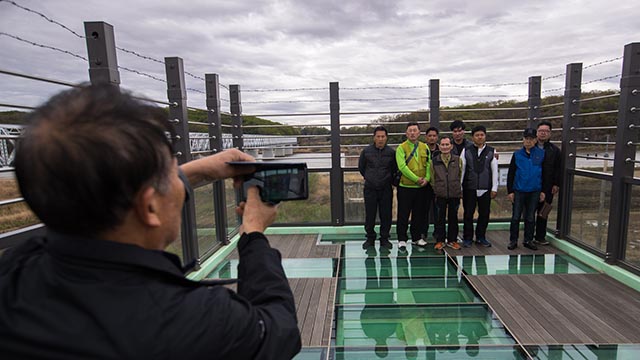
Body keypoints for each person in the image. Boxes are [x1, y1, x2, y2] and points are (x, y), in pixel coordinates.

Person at [0, 84, 301, 359]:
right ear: (149, 206)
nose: (179, 177)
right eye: (173, 171)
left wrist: (197, 172)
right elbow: (279, 328)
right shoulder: (194, 320)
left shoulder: (15, 271)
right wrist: (253, 234)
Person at [507, 128, 546, 250]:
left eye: (531, 139)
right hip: (519, 190)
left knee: (530, 217)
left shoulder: (541, 154)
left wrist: (543, 190)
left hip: (534, 190)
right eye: (526, 139)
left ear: (535, 140)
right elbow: (511, 173)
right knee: (516, 217)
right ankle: (513, 240)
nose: (528, 141)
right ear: (523, 140)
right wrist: (510, 191)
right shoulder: (517, 154)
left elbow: (544, 173)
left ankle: (528, 240)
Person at [460, 125, 499, 247]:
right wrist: (460, 187)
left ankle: (481, 237)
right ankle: (467, 238)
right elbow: (462, 170)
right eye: (477, 135)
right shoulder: (466, 151)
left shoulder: (492, 151)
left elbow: (495, 171)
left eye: (482, 135)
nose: (479, 137)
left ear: (485, 136)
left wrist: (494, 188)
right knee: (468, 214)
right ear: (473, 137)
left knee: (484, 214)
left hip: (485, 188)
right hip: (469, 188)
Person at [359, 126, 397, 250]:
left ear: (386, 138)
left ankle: (384, 238)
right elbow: (362, 168)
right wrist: (370, 178)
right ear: (374, 138)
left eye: (383, 136)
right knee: (370, 214)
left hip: (386, 188)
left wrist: (389, 181)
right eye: (378, 136)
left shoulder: (391, 153)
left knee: (386, 215)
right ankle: (370, 238)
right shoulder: (366, 152)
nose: (380, 139)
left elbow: (394, 170)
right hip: (370, 188)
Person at [396, 122, 432, 251]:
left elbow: (429, 164)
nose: (412, 133)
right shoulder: (401, 148)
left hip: (421, 188)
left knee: (419, 214)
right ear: (406, 133)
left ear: (419, 133)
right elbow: (402, 167)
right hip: (405, 187)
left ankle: (416, 237)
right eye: (410, 130)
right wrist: (416, 179)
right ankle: (402, 239)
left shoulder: (424, 147)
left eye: (414, 130)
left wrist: (427, 179)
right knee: (403, 214)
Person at [430, 136, 462, 250]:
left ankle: (452, 240)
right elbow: (432, 178)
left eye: (447, 144)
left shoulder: (458, 159)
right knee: (440, 218)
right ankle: (440, 240)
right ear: (439, 146)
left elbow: (460, 175)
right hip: (440, 194)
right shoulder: (434, 161)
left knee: (453, 217)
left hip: (454, 193)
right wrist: (437, 189)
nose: (445, 147)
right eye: (442, 145)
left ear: (451, 146)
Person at [533, 121, 561, 245]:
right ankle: (528, 236)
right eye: (540, 131)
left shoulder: (554, 150)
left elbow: (558, 168)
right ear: (537, 132)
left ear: (550, 133)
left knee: (543, 212)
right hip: (532, 185)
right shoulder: (530, 147)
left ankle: (540, 236)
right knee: (529, 212)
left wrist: (556, 184)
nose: (543, 133)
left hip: (548, 185)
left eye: (546, 131)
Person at [423, 127, 439, 242]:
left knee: (438, 210)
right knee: (424, 210)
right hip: (424, 185)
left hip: (438, 185)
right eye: (430, 136)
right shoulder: (421, 149)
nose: (432, 138)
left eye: (434, 136)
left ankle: (438, 233)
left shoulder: (442, 149)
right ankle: (423, 232)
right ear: (426, 137)